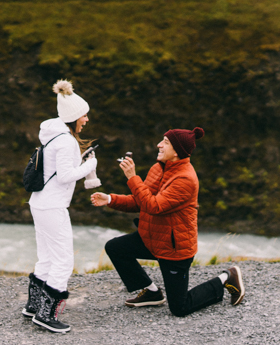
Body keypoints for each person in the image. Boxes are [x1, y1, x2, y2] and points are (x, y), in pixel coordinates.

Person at [90, 127, 245, 317]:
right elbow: (141, 200)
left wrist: (132, 177)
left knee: (180, 308)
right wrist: (110, 199)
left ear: (177, 151)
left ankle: (226, 277)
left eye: (165, 142)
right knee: (115, 247)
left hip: (174, 249)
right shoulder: (158, 168)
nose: (159, 145)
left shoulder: (185, 179)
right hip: (153, 238)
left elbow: (154, 206)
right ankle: (152, 292)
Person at [23, 79, 101, 334]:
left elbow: (58, 169)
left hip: (40, 203)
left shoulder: (53, 136)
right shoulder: (66, 141)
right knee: (64, 260)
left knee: (46, 256)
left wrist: (80, 160)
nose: (86, 120)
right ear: (74, 117)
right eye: (84, 115)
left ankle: (34, 307)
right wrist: (90, 165)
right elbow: (66, 176)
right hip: (53, 206)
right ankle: (46, 316)